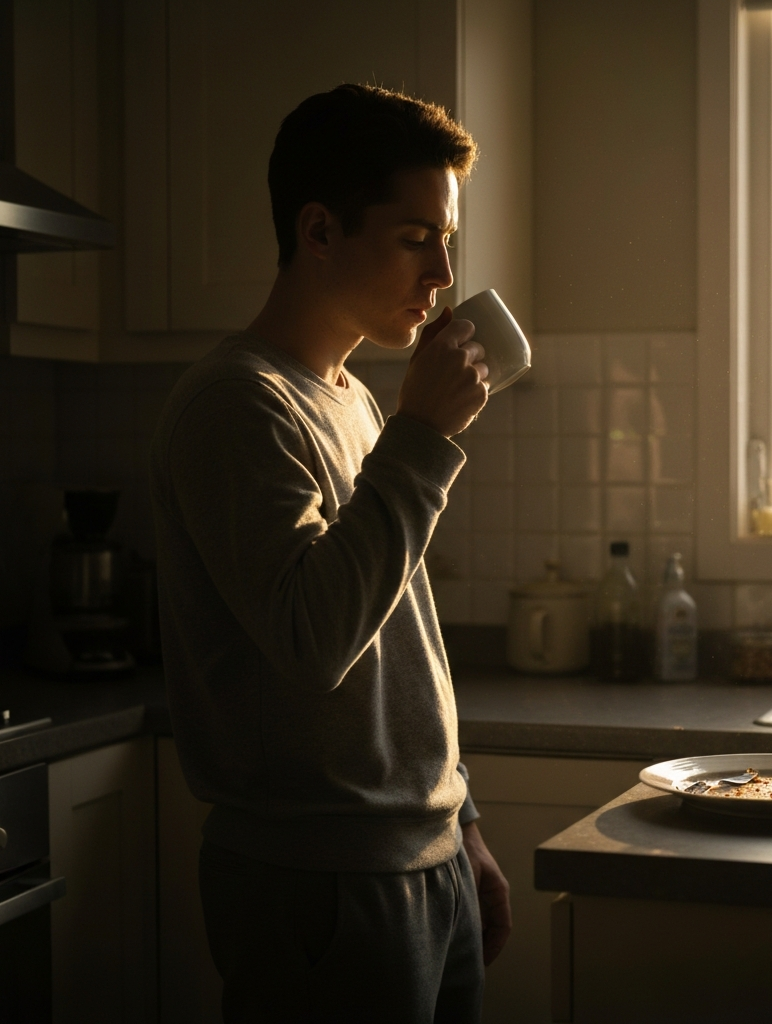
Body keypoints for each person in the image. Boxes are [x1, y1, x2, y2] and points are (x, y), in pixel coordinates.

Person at [150, 83, 511, 1023]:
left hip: (421, 857)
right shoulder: (237, 404)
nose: (442, 273)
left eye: (447, 239)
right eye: (414, 237)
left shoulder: (352, 398)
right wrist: (425, 435)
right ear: (319, 231)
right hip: (319, 880)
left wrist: (460, 824)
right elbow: (316, 639)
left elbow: (405, 638)